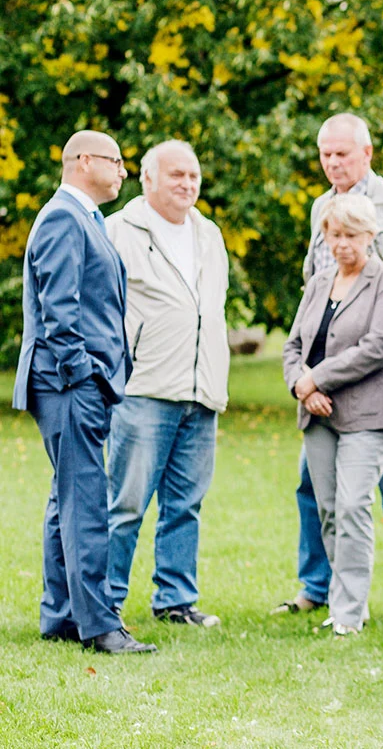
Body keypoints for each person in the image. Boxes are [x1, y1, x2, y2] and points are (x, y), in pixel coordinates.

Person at [273, 112, 383, 621]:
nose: (332, 162)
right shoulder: (321, 207)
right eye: (325, 153)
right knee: (315, 484)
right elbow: (311, 279)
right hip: (322, 373)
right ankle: (318, 586)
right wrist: (307, 373)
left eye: (341, 153)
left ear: (366, 153)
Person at [14, 130, 155, 654]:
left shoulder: (84, 219)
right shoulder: (62, 218)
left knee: (66, 499)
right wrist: (84, 373)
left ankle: (63, 616)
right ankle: (100, 626)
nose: (123, 171)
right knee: (87, 502)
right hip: (70, 384)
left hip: (77, 382)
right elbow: (59, 309)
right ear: (85, 161)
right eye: (117, 161)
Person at [104, 140, 229, 629]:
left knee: (186, 503)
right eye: (176, 174)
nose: (187, 184)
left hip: (202, 391)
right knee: (126, 502)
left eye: (193, 175)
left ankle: (176, 600)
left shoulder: (209, 234)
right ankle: (106, 600)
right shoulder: (118, 230)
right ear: (147, 178)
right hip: (145, 388)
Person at [282, 193, 383, 636]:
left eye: (351, 235)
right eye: (334, 235)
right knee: (330, 510)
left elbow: (377, 348)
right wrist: (302, 384)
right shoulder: (318, 282)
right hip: (317, 414)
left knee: (354, 506)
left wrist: (316, 379)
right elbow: (293, 345)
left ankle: (348, 616)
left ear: (370, 236)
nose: (341, 244)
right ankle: (344, 600)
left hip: (367, 414)